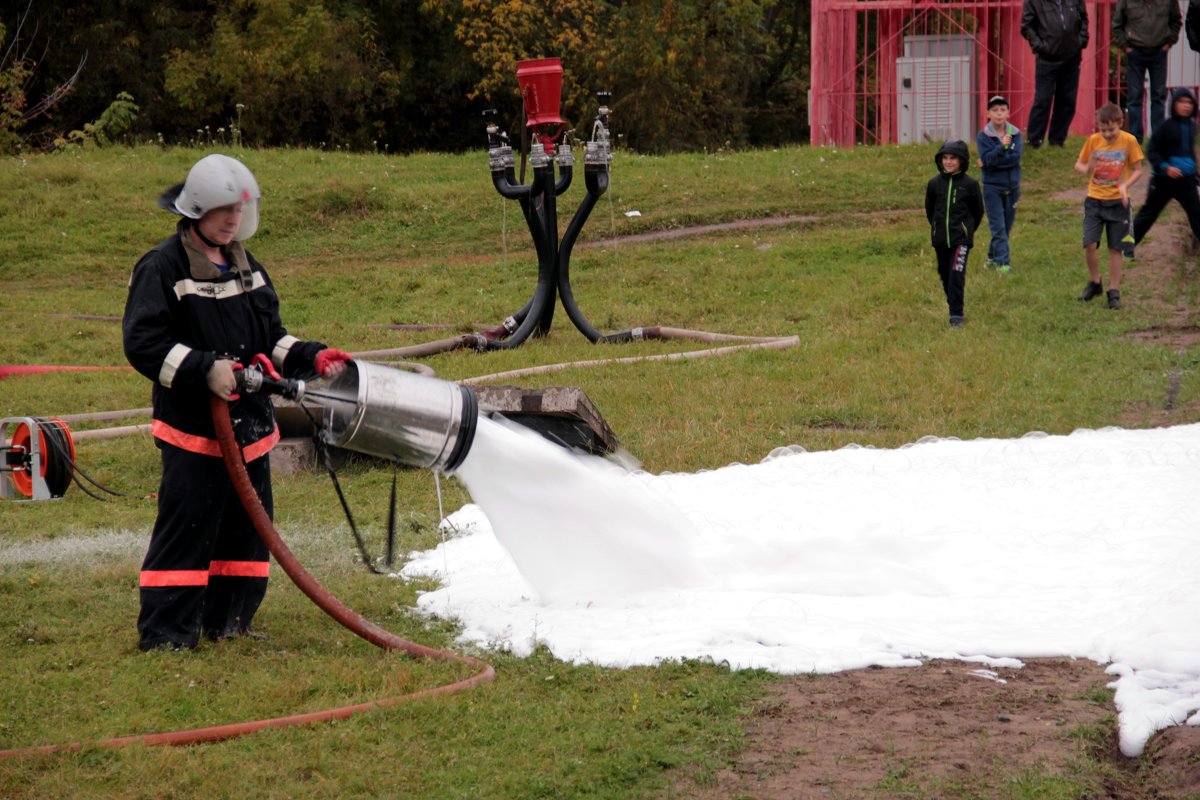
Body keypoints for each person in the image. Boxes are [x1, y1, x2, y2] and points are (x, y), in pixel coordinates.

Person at [123, 154, 353, 652]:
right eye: (223, 210)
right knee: (187, 530)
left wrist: (312, 356)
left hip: (248, 431)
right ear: (196, 211)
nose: (233, 219)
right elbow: (143, 343)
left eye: (239, 210)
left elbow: (270, 338)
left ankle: (230, 621)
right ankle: (167, 634)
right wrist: (205, 368)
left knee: (247, 532)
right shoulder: (163, 268)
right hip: (195, 431)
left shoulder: (248, 266)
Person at [1074, 104, 1145, 310]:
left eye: (1111, 130)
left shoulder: (1129, 141)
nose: (1107, 134)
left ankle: (1113, 291)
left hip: (1118, 203)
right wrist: (1087, 167)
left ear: (1120, 124)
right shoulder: (1094, 141)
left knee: (1116, 248)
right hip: (1094, 200)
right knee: (1089, 244)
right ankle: (1095, 282)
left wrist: (1125, 186)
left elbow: (1138, 170)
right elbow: (1079, 165)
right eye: (1103, 130)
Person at [925, 140, 984, 327]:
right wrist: (937, 227)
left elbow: (978, 211)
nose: (949, 162)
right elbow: (930, 209)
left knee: (956, 274)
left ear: (962, 161)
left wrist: (967, 232)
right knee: (945, 274)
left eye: (953, 158)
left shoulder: (971, 185)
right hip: (940, 239)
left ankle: (956, 316)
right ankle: (953, 303)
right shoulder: (934, 184)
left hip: (961, 240)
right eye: (945, 158)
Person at [1132, 88, 1200, 247]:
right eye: (1182, 102)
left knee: (1196, 214)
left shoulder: (1192, 127)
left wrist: (1194, 173)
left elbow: (1189, 152)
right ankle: (1126, 247)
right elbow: (1151, 150)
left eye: (1189, 102)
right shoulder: (1165, 126)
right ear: (1174, 104)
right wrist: (1165, 167)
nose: (1186, 106)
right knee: (1148, 214)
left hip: (1186, 182)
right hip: (1164, 181)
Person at [1111, 0, 1183, 143]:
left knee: (1158, 96)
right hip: (1135, 51)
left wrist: (1169, 42)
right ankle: (1135, 140)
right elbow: (1117, 25)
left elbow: (1176, 21)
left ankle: (1158, 139)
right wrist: (1126, 47)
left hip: (1159, 51)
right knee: (1134, 97)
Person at [1020, 0, 1089, 149]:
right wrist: (1039, 46)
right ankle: (1034, 142)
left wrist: (1081, 40)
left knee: (1067, 102)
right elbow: (1026, 26)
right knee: (1042, 101)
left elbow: (1083, 19)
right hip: (1046, 60)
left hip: (1072, 58)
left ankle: (1057, 141)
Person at [976, 95, 1024, 275]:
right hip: (992, 188)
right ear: (988, 113)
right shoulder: (983, 136)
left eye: (1002, 110)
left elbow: (1015, 158)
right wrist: (1002, 148)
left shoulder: (1016, 134)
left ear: (1008, 113)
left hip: (1012, 187)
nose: (999, 113)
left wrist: (991, 161)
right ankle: (1003, 264)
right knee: (999, 227)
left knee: (1006, 226)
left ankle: (991, 257)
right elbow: (988, 158)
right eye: (995, 110)